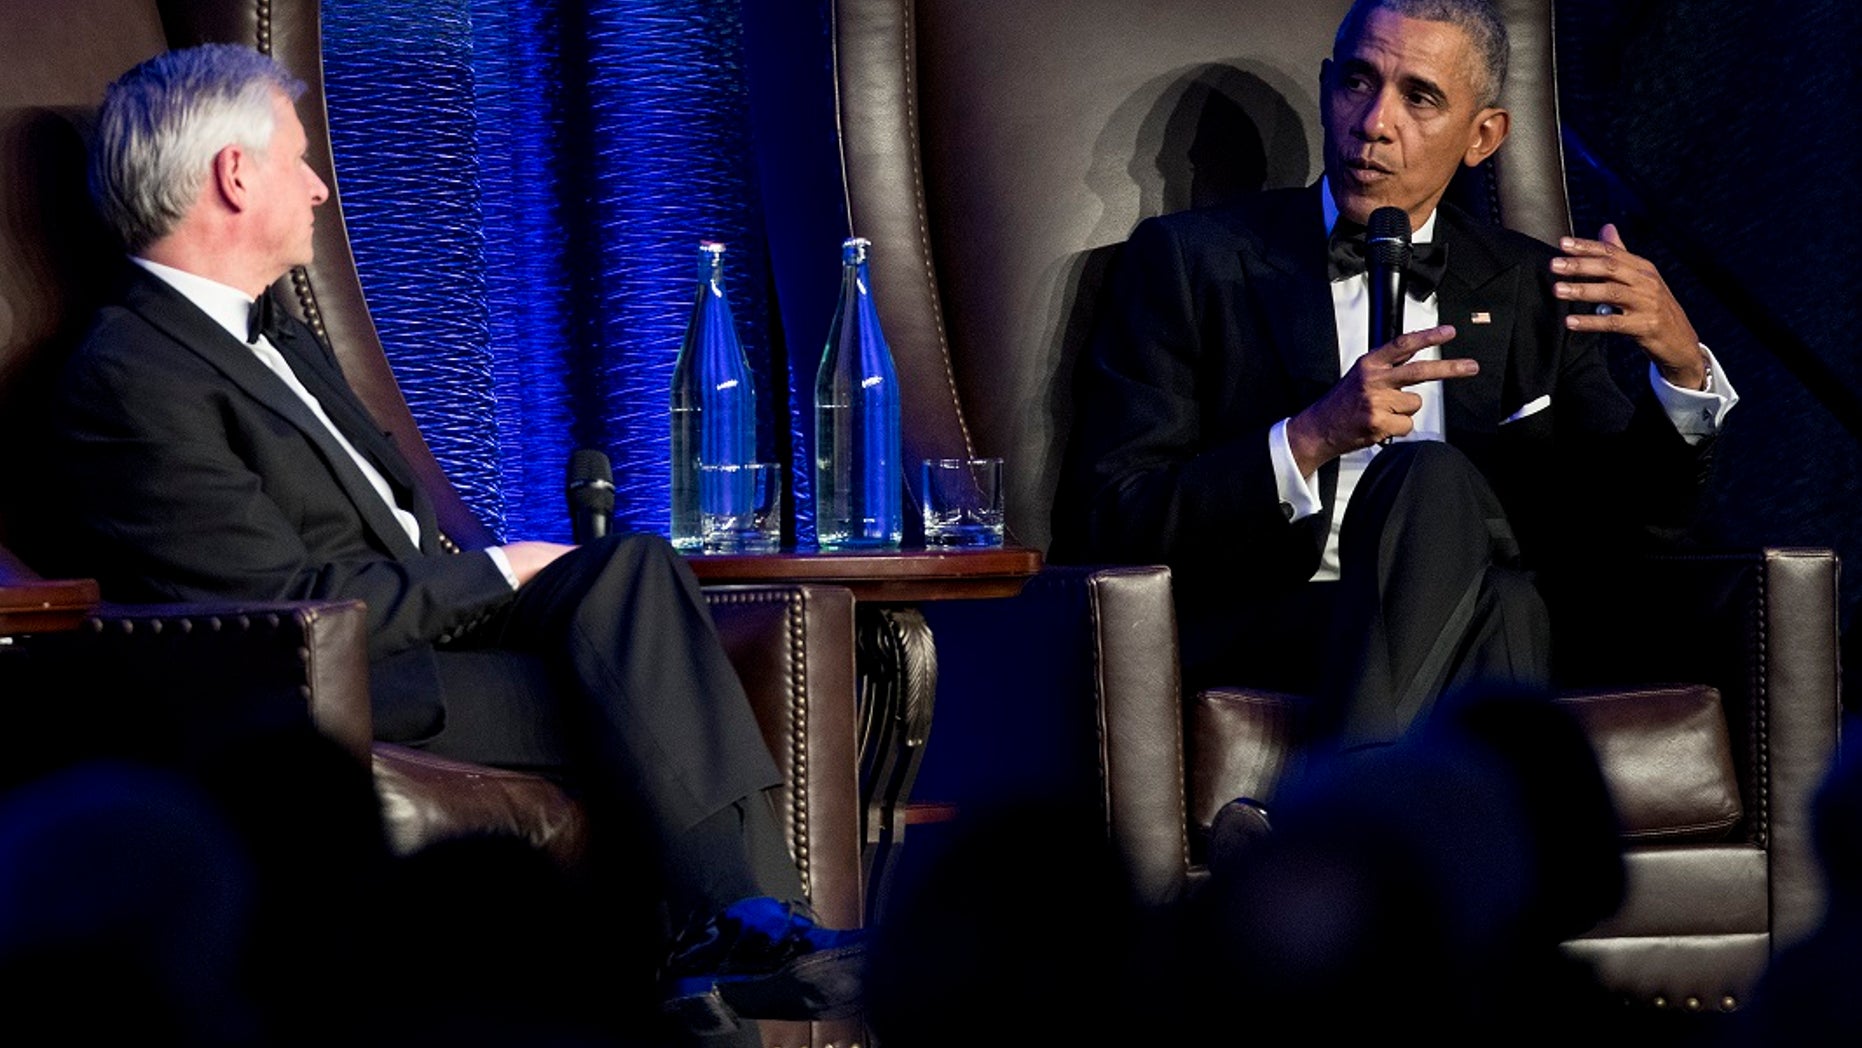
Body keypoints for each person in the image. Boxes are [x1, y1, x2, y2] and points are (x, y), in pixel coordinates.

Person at [45, 43, 861, 1039]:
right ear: (234, 174)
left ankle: (735, 931)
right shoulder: (131, 374)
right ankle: (733, 942)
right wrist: (490, 571)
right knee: (656, 699)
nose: (318, 188)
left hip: (436, 646)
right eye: (300, 162)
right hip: (340, 678)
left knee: (631, 573)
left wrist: (506, 577)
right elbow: (274, 594)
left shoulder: (279, 335)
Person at [1054, 0, 1738, 753]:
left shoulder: (1530, 284)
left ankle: (1344, 833)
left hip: (1480, 613)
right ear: (1325, 87)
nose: (1374, 122)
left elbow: (1638, 521)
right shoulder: (1192, 263)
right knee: (1462, 533)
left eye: (1419, 97)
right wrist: (1311, 436)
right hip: (1282, 614)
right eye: (1357, 81)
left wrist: (1682, 371)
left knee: (1493, 577)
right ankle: (1387, 837)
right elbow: (1111, 516)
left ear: (1484, 136)